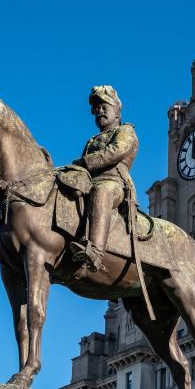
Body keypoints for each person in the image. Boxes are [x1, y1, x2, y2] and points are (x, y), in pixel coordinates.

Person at [70, 86, 138, 272]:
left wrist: (84, 163)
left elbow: (115, 152)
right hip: (89, 182)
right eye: (96, 108)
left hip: (115, 183)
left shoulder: (126, 132)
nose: (99, 111)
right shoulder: (92, 140)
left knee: (102, 191)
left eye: (103, 106)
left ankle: (96, 252)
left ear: (117, 110)